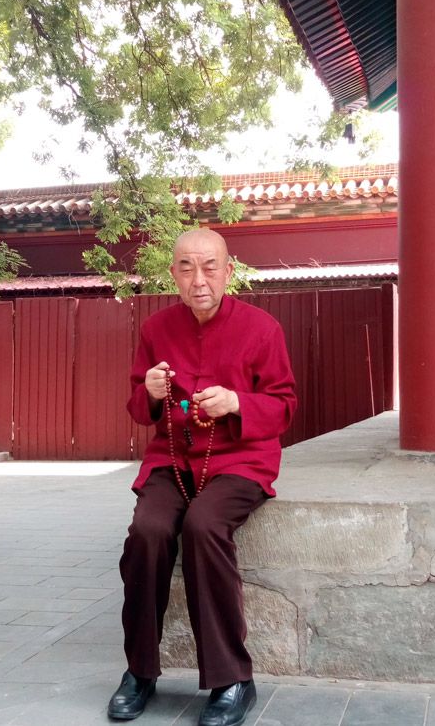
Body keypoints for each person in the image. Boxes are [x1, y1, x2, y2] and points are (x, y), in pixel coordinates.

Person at [107, 228, 297, 726]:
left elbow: (284, 407)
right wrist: (149, 390)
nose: (199, 278)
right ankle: (139, 670)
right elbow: (139, 409)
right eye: (186, 267)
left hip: (240, 459)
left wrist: (238, 402)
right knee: (147, 533)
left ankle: (234, 678)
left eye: (210, 266)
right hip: (174, 458)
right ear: (172, 274)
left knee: (203, 526)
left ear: (228, 272)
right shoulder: (156, 329)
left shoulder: (262, 328)